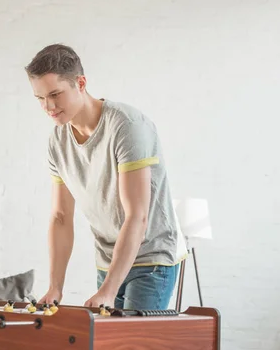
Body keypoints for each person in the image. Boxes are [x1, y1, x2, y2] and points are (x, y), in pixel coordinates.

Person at [26, 44, 186, 311]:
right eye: (40, 98)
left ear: (80, 83)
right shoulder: (58, 140)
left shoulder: (126, 126)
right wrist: (56, 286)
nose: (48, 106)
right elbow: (61, 217)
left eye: (55, 94)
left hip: (151, 258)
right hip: (108, 260)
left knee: (132, 349)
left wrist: (108, 291)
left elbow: (137, 215)